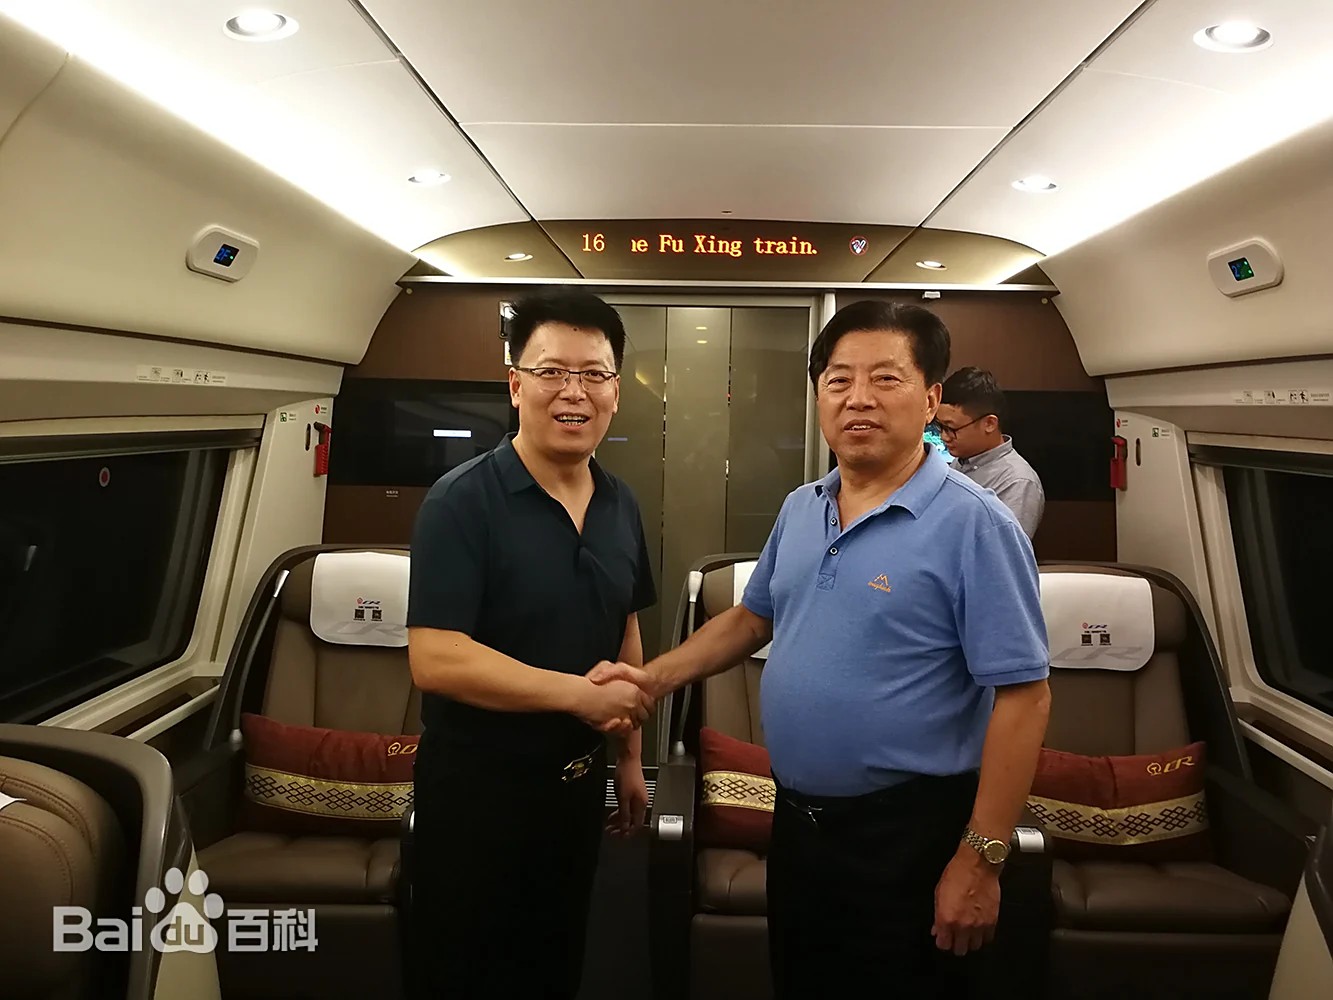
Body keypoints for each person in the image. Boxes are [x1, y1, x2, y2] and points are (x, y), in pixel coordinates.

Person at [594, 300, 1051, 998]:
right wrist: (649, 680)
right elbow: (752, 619)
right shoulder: (802, 506)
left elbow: (1025, 697)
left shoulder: (977, 524)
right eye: (838, 380)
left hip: (911, 833)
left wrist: (980, 860)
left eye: (885, 378)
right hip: (799, 823)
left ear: (931, 399)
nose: (857, 398)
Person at [405, 289, 658, 999]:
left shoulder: (621, 502)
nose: (573, 391)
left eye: (594, 374)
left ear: (616, 392)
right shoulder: (461, 501)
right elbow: (436, 657)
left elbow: (625, 629)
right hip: (477, 795)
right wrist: (578, 696)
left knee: (554, 962)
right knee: (465, 972)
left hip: (574, 791)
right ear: (516, 386)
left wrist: (628, 758)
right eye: (551, 372)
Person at [937, 366, 1045, 540]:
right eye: (940, 426)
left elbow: (1005, 549)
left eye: (951, 428)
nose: (944, 436)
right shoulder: (961, 461)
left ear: (989, 424)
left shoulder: (1017, 481)